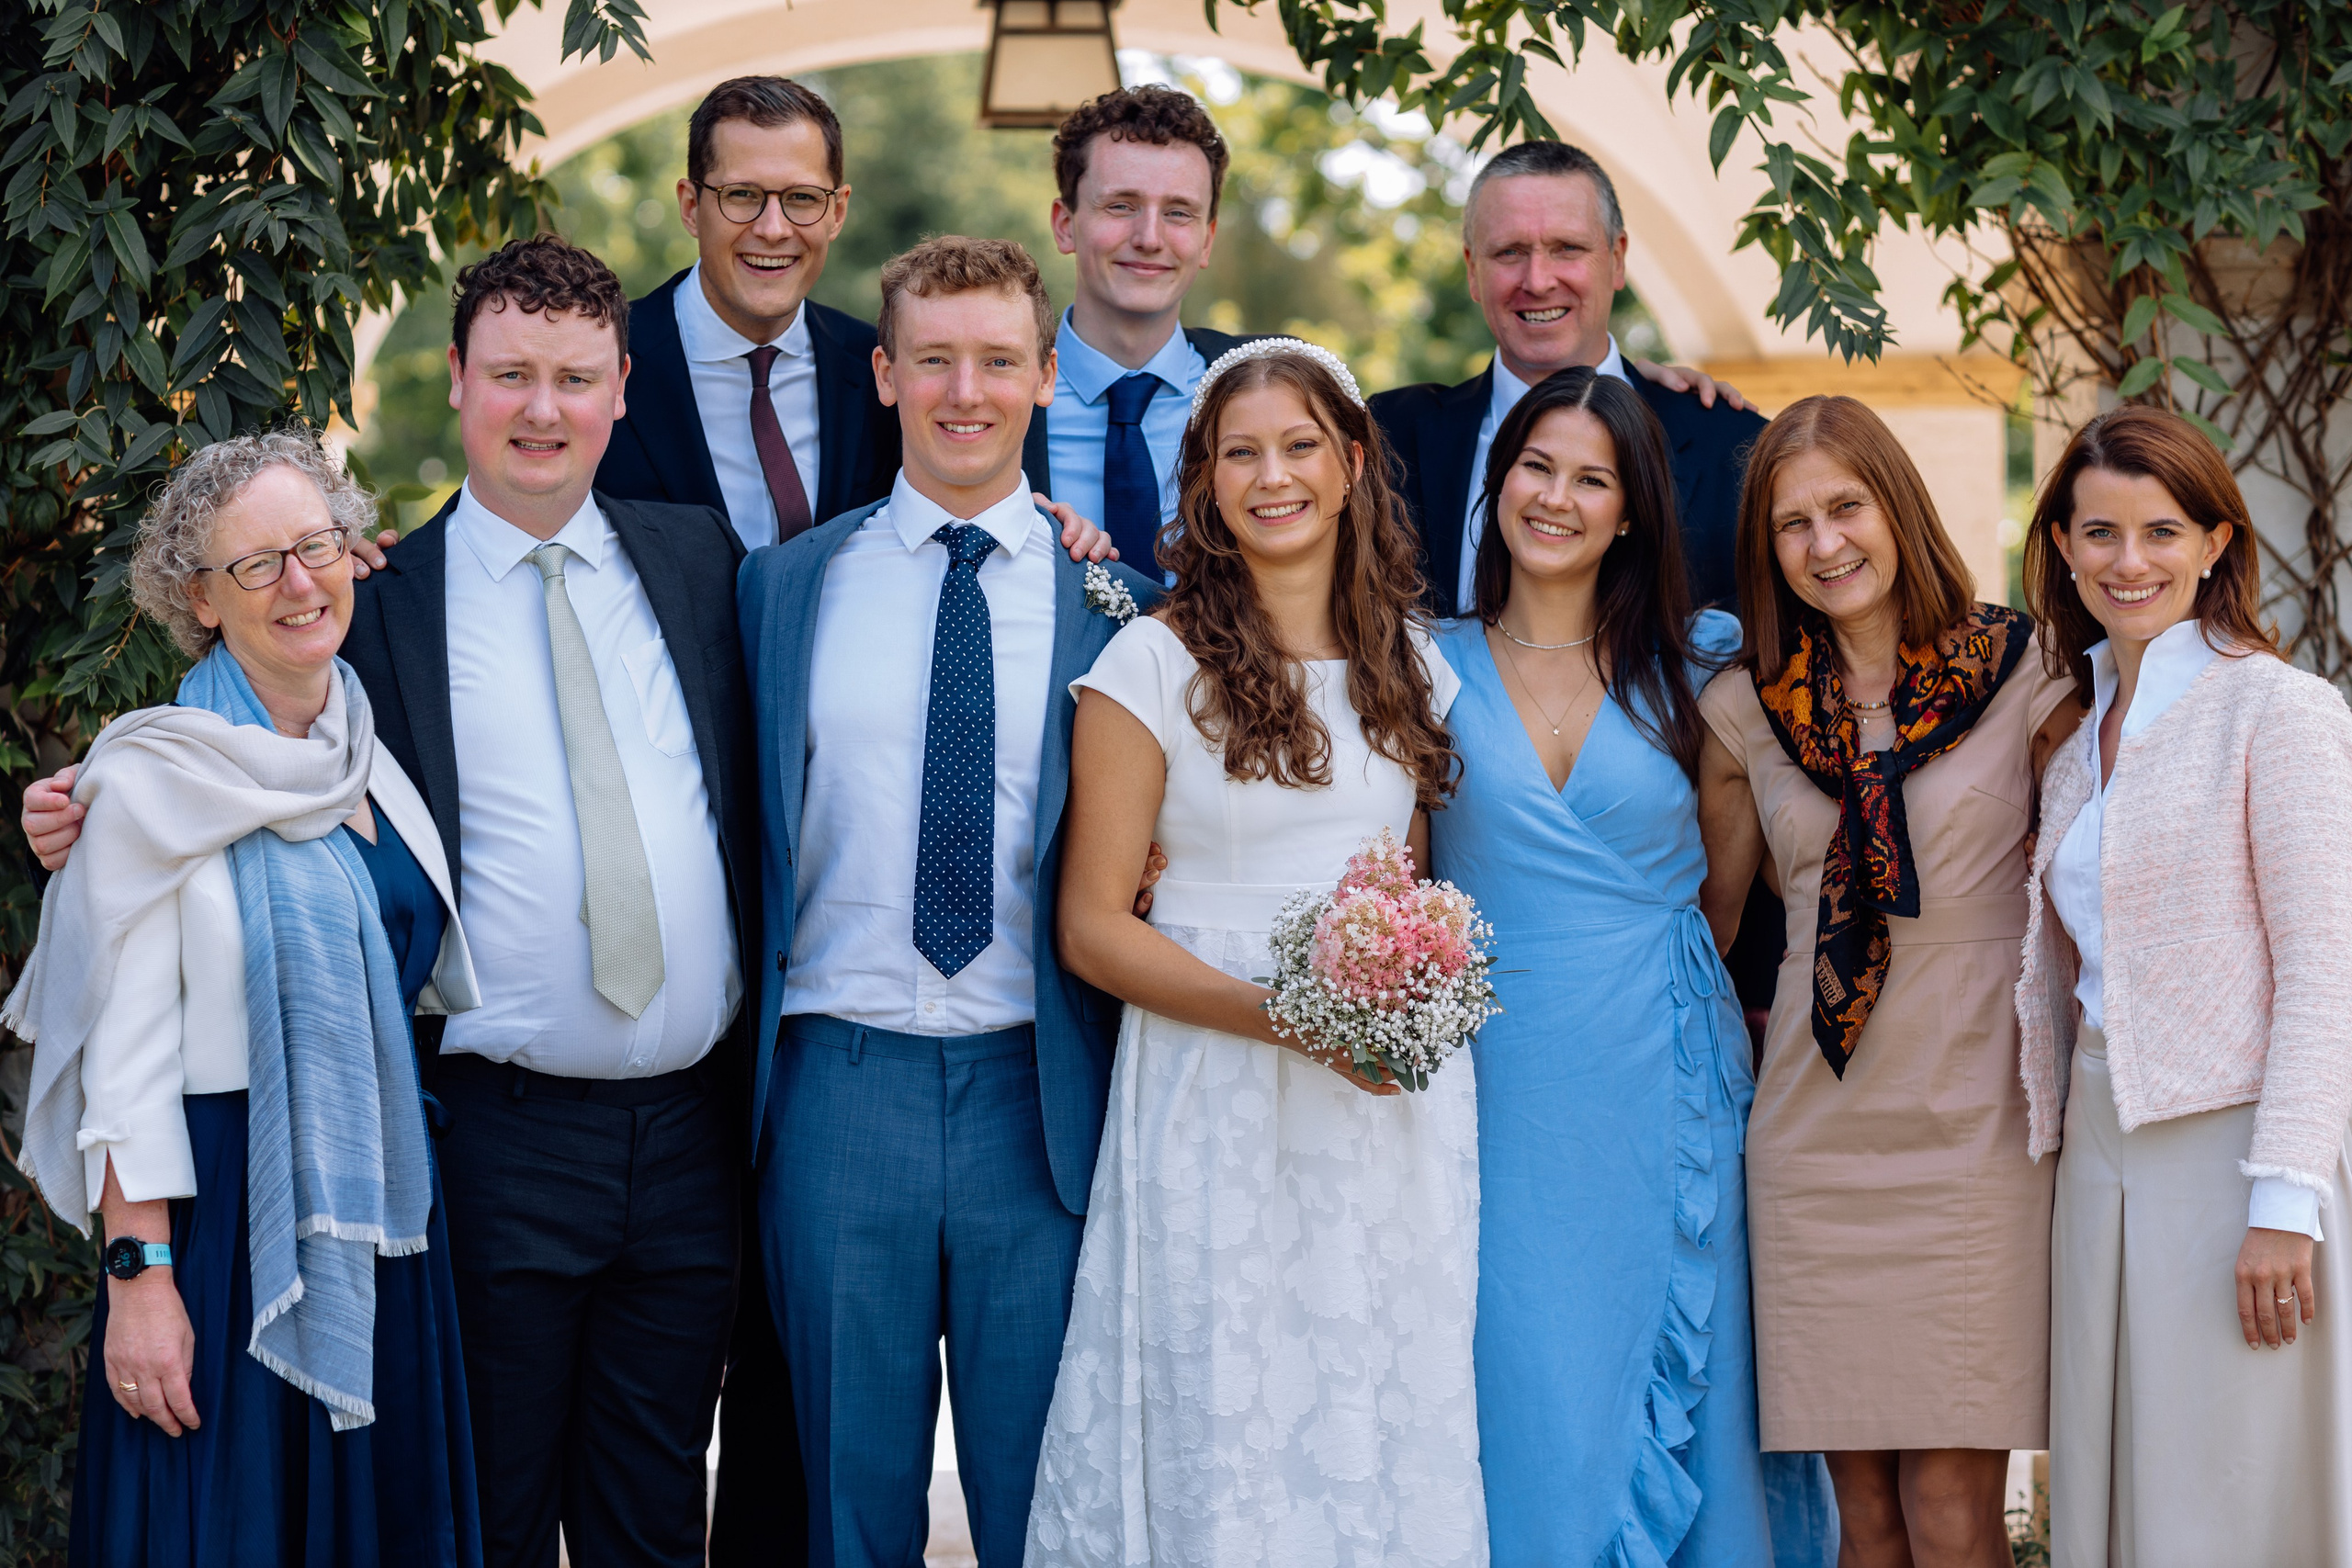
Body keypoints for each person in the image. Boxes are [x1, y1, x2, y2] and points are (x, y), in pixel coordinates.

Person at [737, 235, 1162, 1567]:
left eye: (995, 359)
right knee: (846, 1503)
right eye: (933, 359)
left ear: (1044, 377)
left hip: (1038, 1095)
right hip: (837, 1083)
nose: (963, 391)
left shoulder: (1124, 609)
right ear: (884, 374)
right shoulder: (784, 587)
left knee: (1047, 1498)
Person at [1026, 339, 1483, 1562]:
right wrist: (1289, 1018)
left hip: (1381, 1108)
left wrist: (1406, 1000)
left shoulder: (1415, 665)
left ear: (1351, 462)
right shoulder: (1149, 661)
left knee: (1373, 1397)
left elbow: (1403, 887)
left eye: (1297, 447)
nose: (1271, 476)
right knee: (1222, 1400)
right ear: (1206, 480)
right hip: (1212, 1090)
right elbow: (1092, 926)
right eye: (1240, 453)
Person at [3, 429, 482, 1565]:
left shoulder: (365, 751)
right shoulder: (152, 779)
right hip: (222, 1227)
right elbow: (122, 1063)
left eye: (315, 545)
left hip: (375, 1204)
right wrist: (140, 1280)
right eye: (255, 564)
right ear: (201, 599)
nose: (298, 583)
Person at [1692, 395, 2078, 1568]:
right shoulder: (1743, 709)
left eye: (1845, 507)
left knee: (1952, 1507)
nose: (1824, 544)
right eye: (1791, 523)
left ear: (1897, 507)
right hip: (1814, 1131)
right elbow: (1705, 929)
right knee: (1861, 1518)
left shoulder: (2032, 669)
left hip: (1981, 1119)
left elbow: (2095, 888)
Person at [1428, 366, 1789, 1564]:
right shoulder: (1421, 663)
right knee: (1523, 1378)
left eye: (1593, 479)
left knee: (1681, 1369)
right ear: (1496, 484)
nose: (1557, 498)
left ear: (1633, 510)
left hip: (1661, 1072)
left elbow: (1723, 899)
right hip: (1492, 1081)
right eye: (1536, 467)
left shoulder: (1705, 665)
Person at [2013, 407, 2352, 1567]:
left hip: (2233, 1155)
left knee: (2226, 1492)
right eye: (2099, 532)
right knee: (2112, 1476)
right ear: (2062, 546)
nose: (2129, 561)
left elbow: (2324, 974)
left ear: (2215, 544)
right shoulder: (2078, 734)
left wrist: (2285, 1203)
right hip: (2096, 1149)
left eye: (2161, 532)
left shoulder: (2279, 710)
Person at [1370, 140, 1764, 618]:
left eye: (1567, 248)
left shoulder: (1736, 448)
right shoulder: (1385, 435)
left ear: (1617, 258)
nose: (1538, 281)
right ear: (1473, 270)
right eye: (1510, 252)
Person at [596, 74, 899, 547]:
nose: (773, 229)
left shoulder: (883, 369)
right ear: (691, 207)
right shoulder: (600, 362)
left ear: (837, 212)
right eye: (742, 195)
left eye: (802, 198)